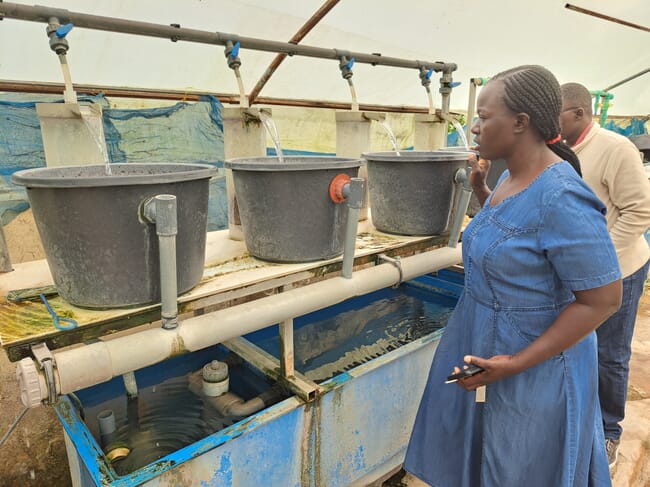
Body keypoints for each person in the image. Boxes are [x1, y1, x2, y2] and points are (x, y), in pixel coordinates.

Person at [404, 65, 622, 487]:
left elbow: (603, 299)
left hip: (535, 364)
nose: (475, 126)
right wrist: (483, 192)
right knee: (490, 455)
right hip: (492, 347)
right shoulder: (508, 177)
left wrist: (517, 362)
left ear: (520, 123)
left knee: (524, 465)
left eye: (485, 117)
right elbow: (518, 236)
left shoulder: (562, 196)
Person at [559, 82, 650, 468]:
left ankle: (609, 432)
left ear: (580, 114)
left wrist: (602, 259)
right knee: (578, 346)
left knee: (611, 354)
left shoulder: (615, 148)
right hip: (580, 272)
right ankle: (578, 421)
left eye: (558, 114)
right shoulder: (560, 149)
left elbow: (640, 210)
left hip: (620, 270)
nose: (552, 122)